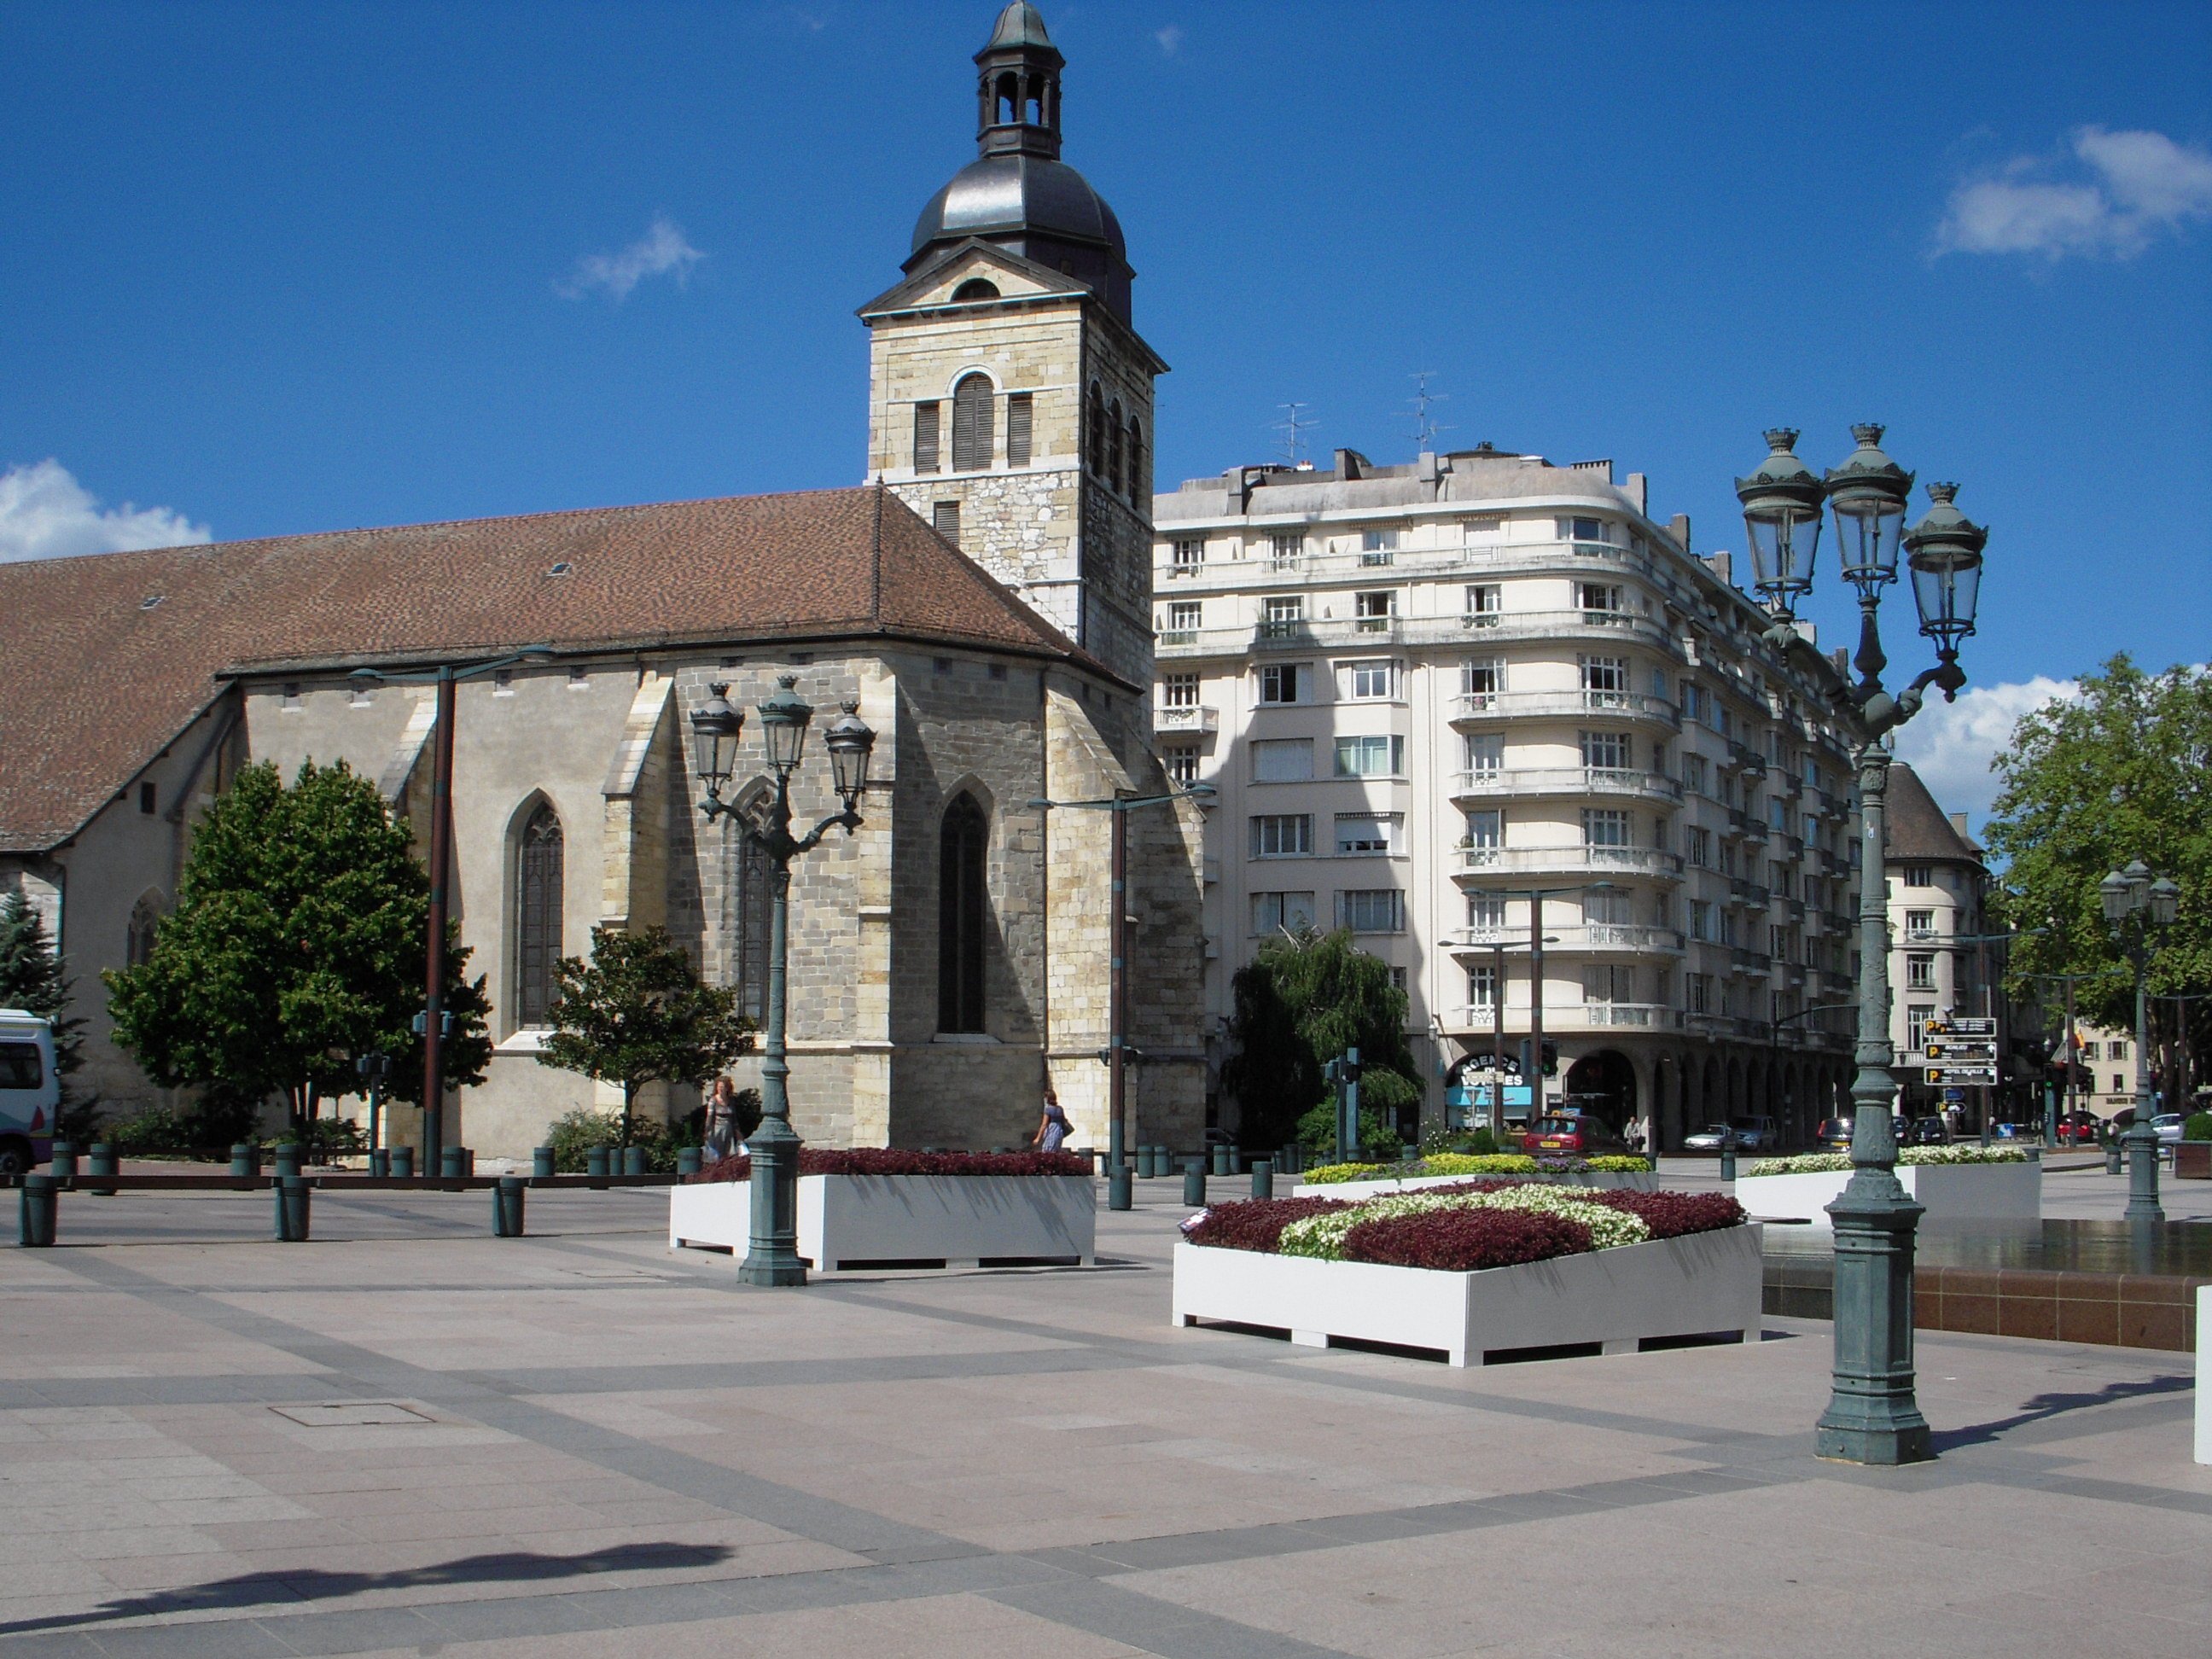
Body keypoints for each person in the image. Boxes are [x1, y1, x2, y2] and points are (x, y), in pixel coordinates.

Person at [703, 1076, 741, 1162]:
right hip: (717, 1130)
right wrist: (707, 1131)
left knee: (730, 1155)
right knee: (717, 1154)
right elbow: (709, 1117)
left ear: (727, 1088)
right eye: (719, 1087)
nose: (721, 1089)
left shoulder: (730, 1101)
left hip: (729, 1130)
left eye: (723, 1087)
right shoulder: (713, 1100)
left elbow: (734, 1118)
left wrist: (738, 1132)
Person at [1032, 1086, 1069, 1153]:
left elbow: (1044, 1125)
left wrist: (1038, 1138)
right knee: (1056, 1150)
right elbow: (1064, 1120)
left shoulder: (1048, 1110)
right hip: (1059, 1130)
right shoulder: (1060, 1109)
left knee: (1048, 1150)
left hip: (1051, 1130)